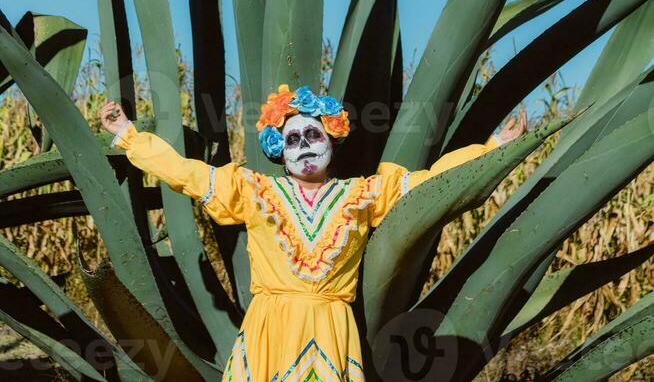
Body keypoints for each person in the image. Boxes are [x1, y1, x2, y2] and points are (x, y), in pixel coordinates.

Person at [100, 85, 527, 380]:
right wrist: (129, 137)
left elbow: (430, 185)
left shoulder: (363, 194)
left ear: (331, 138)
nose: (304, 144)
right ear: (278, 150)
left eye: (312, 133)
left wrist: (493, 150)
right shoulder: (255, 190)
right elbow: (189, 175)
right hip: (271, 325)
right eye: (292, 139)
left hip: (330, 326)